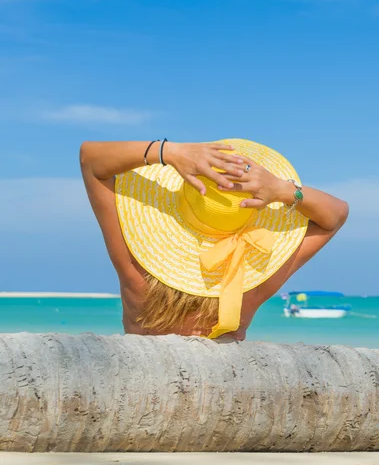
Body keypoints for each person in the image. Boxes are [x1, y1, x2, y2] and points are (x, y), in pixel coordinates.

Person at [80, 138, 348, 341]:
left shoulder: (135, 269)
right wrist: (283, 190)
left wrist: (169, 152)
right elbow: (335, 215)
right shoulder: (252, 281)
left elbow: (91, 160)